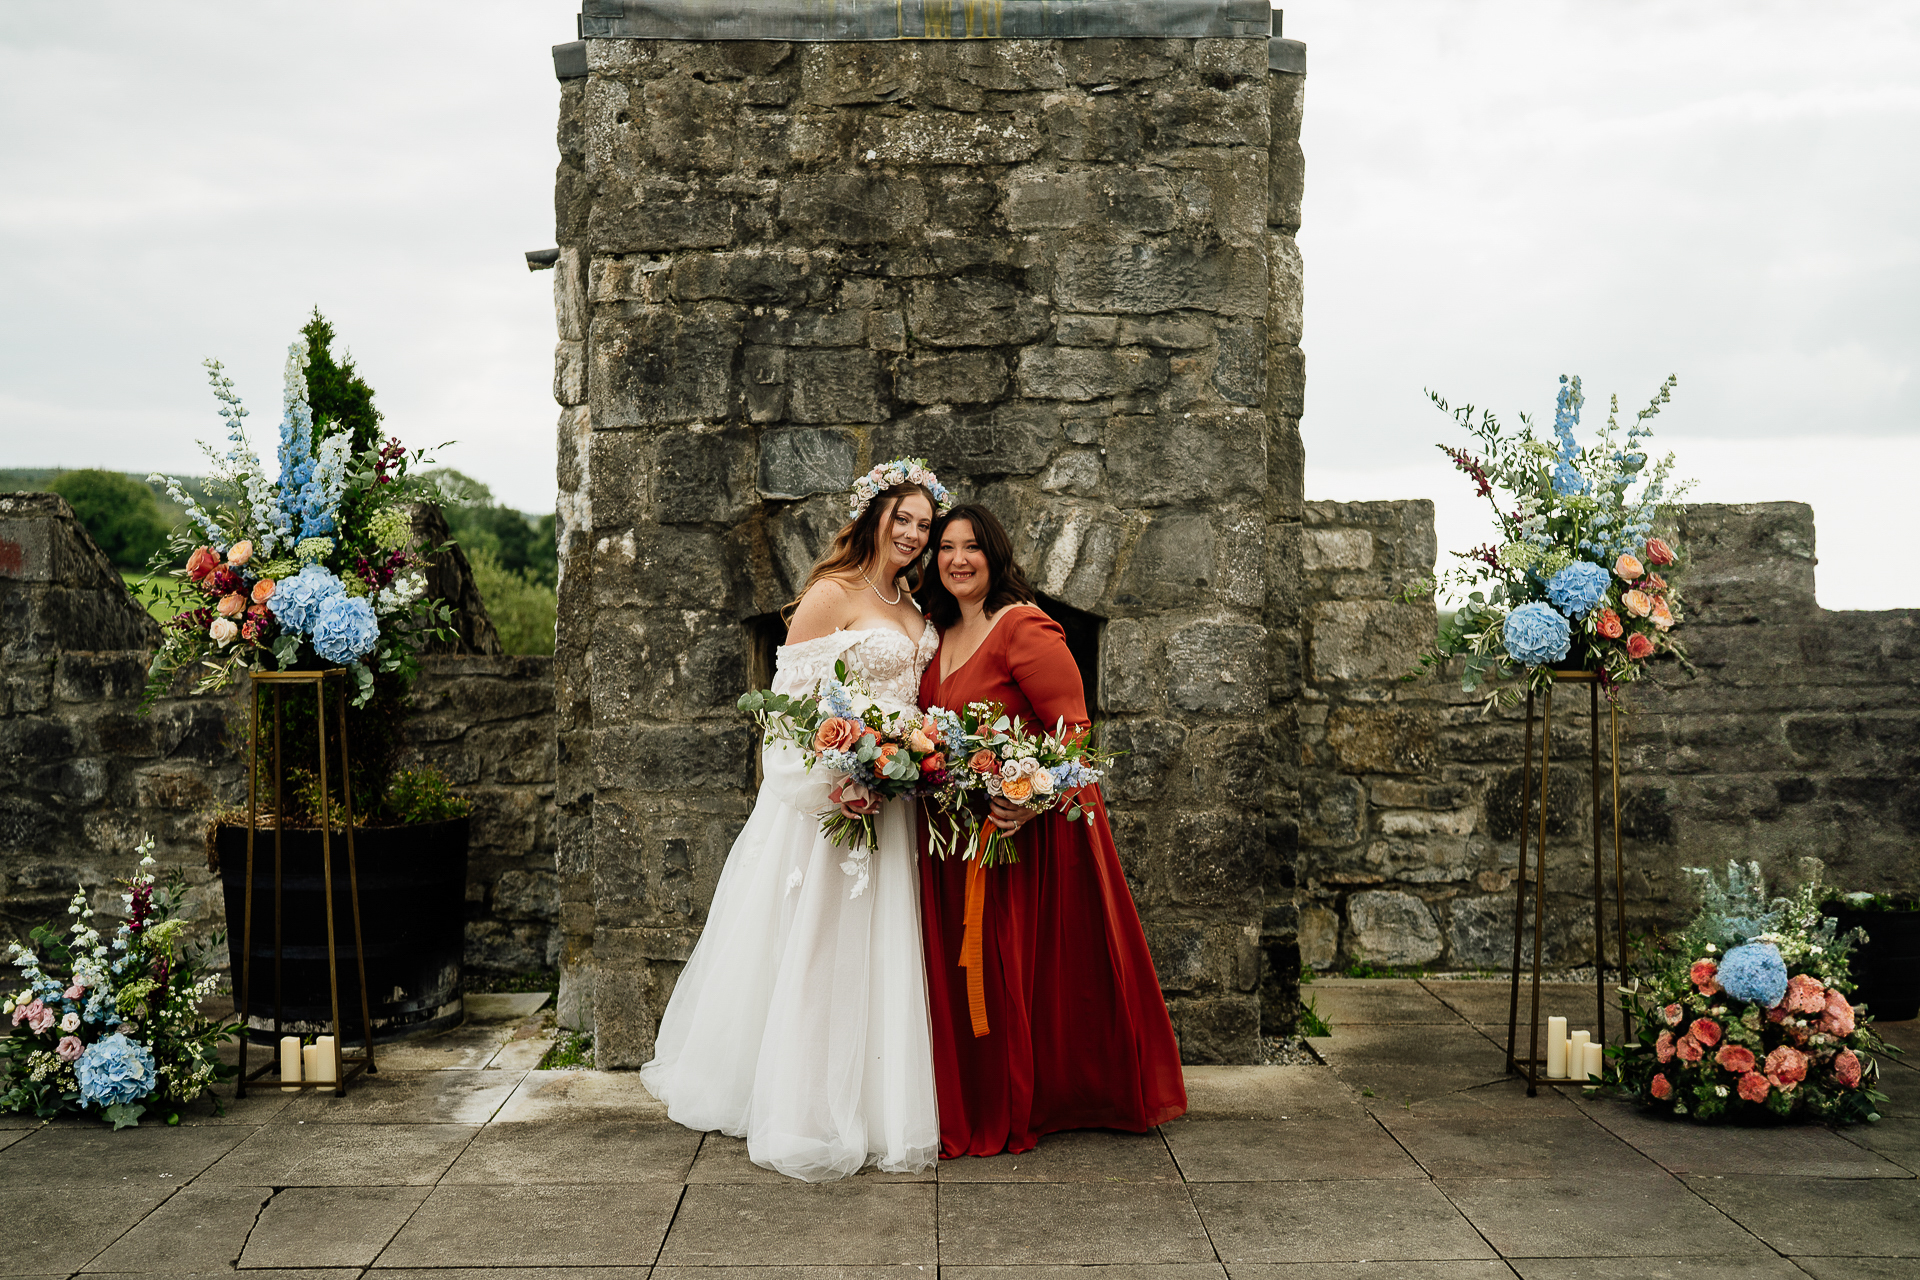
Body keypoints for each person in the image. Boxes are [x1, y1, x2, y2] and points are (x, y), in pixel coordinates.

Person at [640, 459, 952, 1181]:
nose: (910, 533)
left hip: (898, 803)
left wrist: (905, 766)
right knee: (821, 948)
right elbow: (787, 716)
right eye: (900, 518)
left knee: (886, 949)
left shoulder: (915, 605)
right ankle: (806, 1105)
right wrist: (838, 783)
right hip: (835, 805)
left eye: (922, 525)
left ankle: (878, 1101)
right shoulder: (829, 595)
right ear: (874, 516)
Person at [915, 503, 1187, 1159]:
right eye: (946, 547)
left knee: (1013, 969)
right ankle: (977, 1095)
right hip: (957, 839)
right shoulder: (941, 633)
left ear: (996, 556)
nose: (957, 559)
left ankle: (1027, 1098)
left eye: (972, 547)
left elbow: (1073, 732)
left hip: (1026, 835)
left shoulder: (1023, 628)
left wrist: (1028, 798)